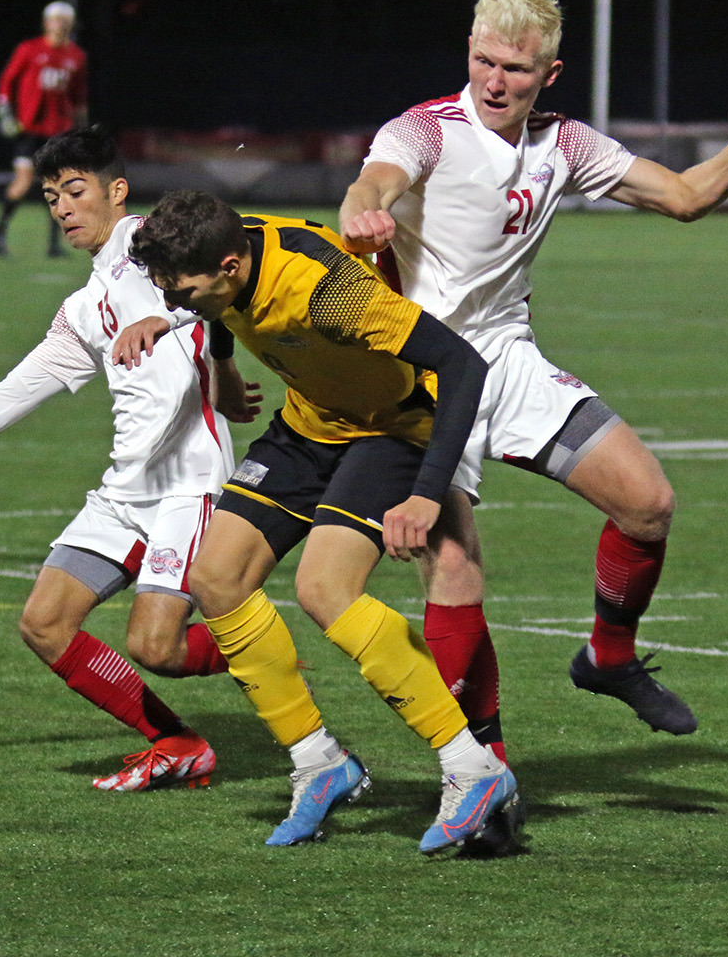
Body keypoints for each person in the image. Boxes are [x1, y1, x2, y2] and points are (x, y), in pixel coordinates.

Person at [339, 0, 728, 759]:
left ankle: (608, 657)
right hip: (423, 377)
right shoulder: (428, 130)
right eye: (484, 61)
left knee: (648, 504)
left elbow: (683, 198)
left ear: (549, 73)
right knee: (456, 571)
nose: (495, 81)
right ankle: (480, 777)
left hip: (508, 363)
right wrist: (364, 208)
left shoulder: (566, 144)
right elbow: (375, 179)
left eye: (516, 68)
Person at [117, 193, 520, 856]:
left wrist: (425, 495)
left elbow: (462, 365)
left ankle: (473, 767)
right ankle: (320, 762)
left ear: (227, 265)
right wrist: (220, 362)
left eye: (182, 289)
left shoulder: (328, 293)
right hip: (309, 425)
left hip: (392, 428)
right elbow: (221, 308)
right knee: (216, 580)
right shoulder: (228, 259)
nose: (174, 300)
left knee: (324, 590)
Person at [0, 128, 256, 792]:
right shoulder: (83, 310)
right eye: (51, 197)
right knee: (44, 623)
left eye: (74, 191)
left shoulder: (155, 248)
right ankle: (177, 743)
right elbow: (14, 392)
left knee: (156, 649)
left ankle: (264, 649)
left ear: (116, 190)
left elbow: (229, 277)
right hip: (124, 491)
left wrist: (172, 324)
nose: (62, 208)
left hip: (187, 485)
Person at [0, 1, 89, 258]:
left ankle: (54, 244)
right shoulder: (29, 49)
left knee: (60, 189)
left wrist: (81, 130)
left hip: (59, 131)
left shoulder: (76, 57)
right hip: (30, 128)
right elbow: (7, 81)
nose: (59, 24)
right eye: (55, 19)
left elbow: (79, 98)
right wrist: (5, 111)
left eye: (64, 20)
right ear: (46, 22)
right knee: (23, 181)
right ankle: (0, 231)